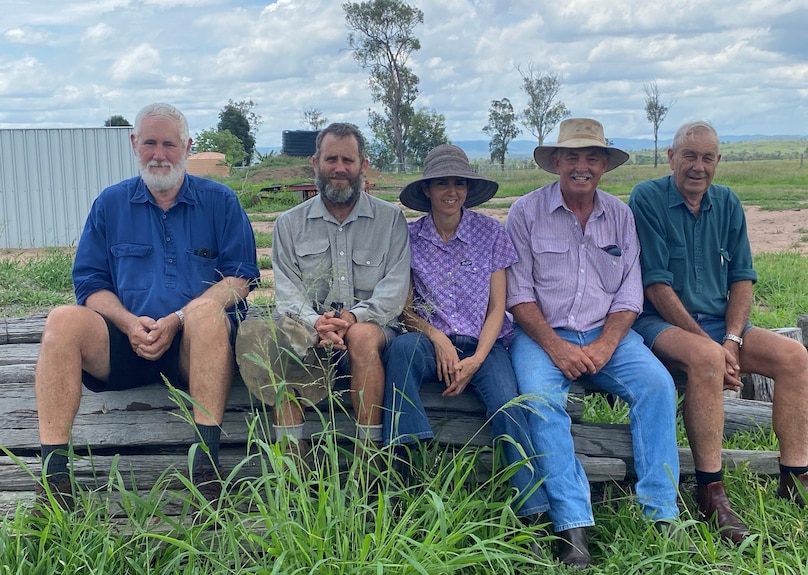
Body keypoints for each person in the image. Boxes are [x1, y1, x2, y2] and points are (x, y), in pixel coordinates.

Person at [34, 102, 260, 510]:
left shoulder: (221, 202)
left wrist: (178, 319)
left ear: (187, 146)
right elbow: (90, 283)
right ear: (134, 143)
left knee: (209, 313)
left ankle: (206, 469)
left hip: (195, 348)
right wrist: (125, 322)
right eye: (150, 143)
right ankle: (55, 481)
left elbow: (241, 278)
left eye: (169, 145)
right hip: (125, 342)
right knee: (63, 320)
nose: (159, 154)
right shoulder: (110, 204)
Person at [506, 118, 681, 568]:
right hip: (543, 335)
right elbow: (519, 294)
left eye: (591, 157)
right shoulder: (525, 213)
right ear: (556, 162)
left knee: (657, 386)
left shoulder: (619, 215)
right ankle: (573, 526)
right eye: (572, 157)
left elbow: (629, 293)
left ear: (604, 164)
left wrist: (605, 345)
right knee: (541, 402)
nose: (581, 166)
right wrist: (556, 347)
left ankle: (662, 513)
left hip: (610, 336)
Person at [628, 121, 808, 544]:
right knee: (707, 359)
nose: (698, 166)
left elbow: (742, 279)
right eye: (689, 156)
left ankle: (796, 478)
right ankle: (711, 491)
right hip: (659, 322)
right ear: (671, 157)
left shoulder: (727, 202)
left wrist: (732, 339)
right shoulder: (648, 198)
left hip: (720, 327)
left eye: (707, 157)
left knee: (793, 357)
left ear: (718, 161)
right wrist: (714, 347)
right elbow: (656, 285)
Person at [382, 144, 550, 545]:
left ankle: (533, 510)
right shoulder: (409, 237)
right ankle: (407, 469)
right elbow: (403, 310)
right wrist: (436, 336)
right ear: (427, 190)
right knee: (400, 352)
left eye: (458, 183)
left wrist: (475, 358)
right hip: (429, 340)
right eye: (442, 183)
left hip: (484, 343)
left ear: (467, 189)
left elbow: (498, 307)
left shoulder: (490, 232)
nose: (451, 191)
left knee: (509, 403)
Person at [235, 122, 410, 470]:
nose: (340, 168)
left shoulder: (391, 220)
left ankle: (368, 463)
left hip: (371, 328)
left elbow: (394, 290)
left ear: (363, 164)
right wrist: (318, 324)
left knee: (360, 336)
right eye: (331, 159)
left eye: (348, 160)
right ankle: (293, 464)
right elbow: (286, 293)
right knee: (274, 336)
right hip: (309, 326)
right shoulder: (288, 223)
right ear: (315, 163)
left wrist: (352, 319)